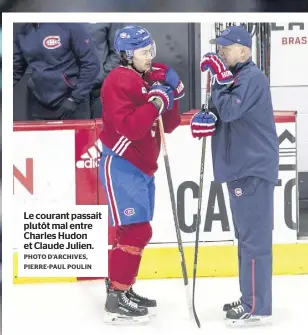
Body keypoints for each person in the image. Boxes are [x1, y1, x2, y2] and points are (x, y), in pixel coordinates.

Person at [191, 25, 279, 325]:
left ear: (244, 50)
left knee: (254, 241)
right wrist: (207, 119)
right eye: (220, 47)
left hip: (252, 168)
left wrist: (217, 81)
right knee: (245, 240)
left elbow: (230, 110)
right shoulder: (237, 78)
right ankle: (249, 297)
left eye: (226, 48)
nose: (221, 52)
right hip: (240, 168)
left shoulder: (252, 77)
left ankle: (256, 306)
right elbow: (224, 114)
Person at [98, 25, 184, 324]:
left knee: (134, 231)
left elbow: (168, 125)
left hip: (143, 167)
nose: (150, 57)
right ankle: (116, 296)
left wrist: (171, 93)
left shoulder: (144, 79)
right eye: (143, 52)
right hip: (122, 164)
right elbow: (131, 127)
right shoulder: (117, 80)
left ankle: (123, 287)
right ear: (126, 54)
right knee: (136, 231)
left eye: (151, 51)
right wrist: (157, 100)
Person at [13, 23, 100, 120]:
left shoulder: (69, 25)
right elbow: (16, 68)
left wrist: (74, 99)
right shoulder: (23, 32)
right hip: (38, 104)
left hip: (71, 101)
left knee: (76, 135)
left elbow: (91, 64)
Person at [82, 23, 124, 118]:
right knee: (77, 132)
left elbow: (117, 53)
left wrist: (100, 76)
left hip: (100, 90)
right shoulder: (66, 13)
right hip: (72, 91)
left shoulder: (111, 14)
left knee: (101, 131)